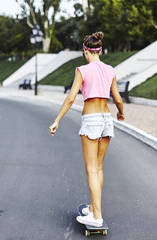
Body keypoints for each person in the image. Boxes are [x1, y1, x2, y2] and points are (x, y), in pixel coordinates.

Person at [49, 32, 124, 227]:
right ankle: (92, 207)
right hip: (107, 118)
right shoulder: (110, 70)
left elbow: (71, 97)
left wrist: (57, 120)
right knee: (98, 168)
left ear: (86, 51)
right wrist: (121, 113)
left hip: (91, 120)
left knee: (91, 169)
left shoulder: (82, 70)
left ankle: (96, 217)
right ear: (99, 50)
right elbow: (117, 98)